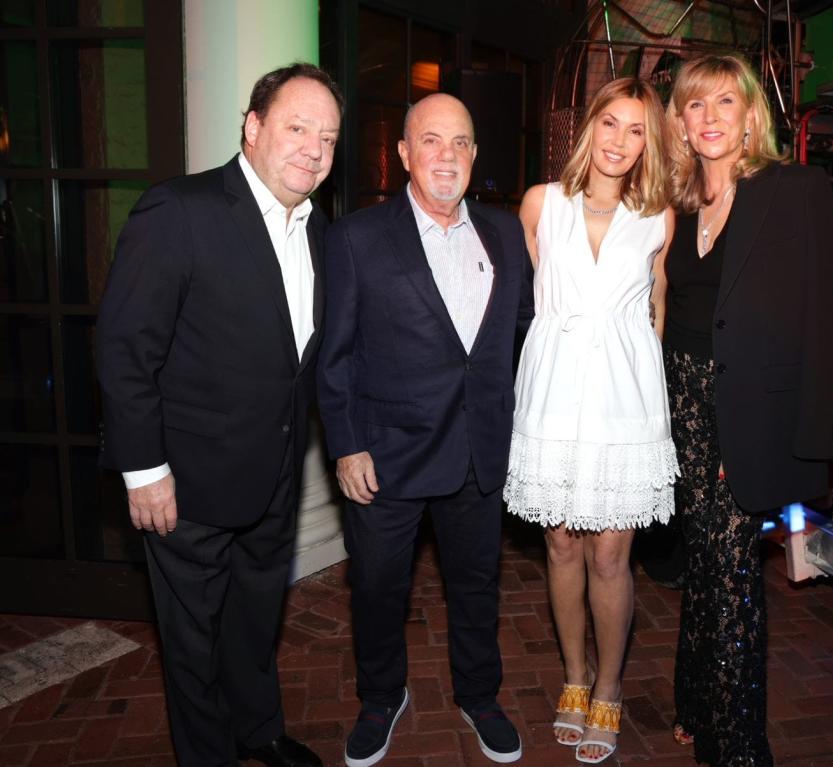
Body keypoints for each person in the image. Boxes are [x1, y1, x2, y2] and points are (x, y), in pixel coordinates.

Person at [96, 63, 342, 767]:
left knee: (255, 619)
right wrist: (144, 470)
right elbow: (124, 347)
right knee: (193, 640)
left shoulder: (317, 230)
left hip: (274, 478)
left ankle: (258, 728)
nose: (313, 149)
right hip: (187, 484)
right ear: (253, 126)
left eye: (326, 138)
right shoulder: (181, 209)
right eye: (297, 127)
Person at [316, 93, 533, 767]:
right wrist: (347, 443)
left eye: (461, 142)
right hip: (388, 454)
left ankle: (479, 692)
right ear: (405, 153)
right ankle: (382, 696)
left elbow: (520, 337)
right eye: (431, 141)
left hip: (478, 452)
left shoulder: (505, 236)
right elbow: (336, 354)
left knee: (476, 582)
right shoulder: (356, 238)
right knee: (379, 587)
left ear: (475, 155)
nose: (448, 155)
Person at [663, 54, 833, 766]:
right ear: (679, 120)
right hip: (679, 404)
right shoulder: (675, 204)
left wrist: (798, 437)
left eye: (724, 103)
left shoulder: (793, 190)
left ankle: (737, 744)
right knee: (704, 558)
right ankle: (694, 700)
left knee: (734, 569)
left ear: (750, 116)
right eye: (694, 105)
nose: (709, 118)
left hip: (745, 411)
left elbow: (817, 322)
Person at [504, 77, 679, 765]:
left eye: (636, 130)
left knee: (611, 552)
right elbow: (532, 299)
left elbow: (656, 312)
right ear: (588, 127)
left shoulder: (659, 216)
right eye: (610, 123)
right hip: (553, 393)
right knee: (560, 546)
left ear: (648, 142)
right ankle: (574, 673)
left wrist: (647, 398)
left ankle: (608, 684)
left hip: (624, 400)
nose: (619, 141)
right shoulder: (541, 204)